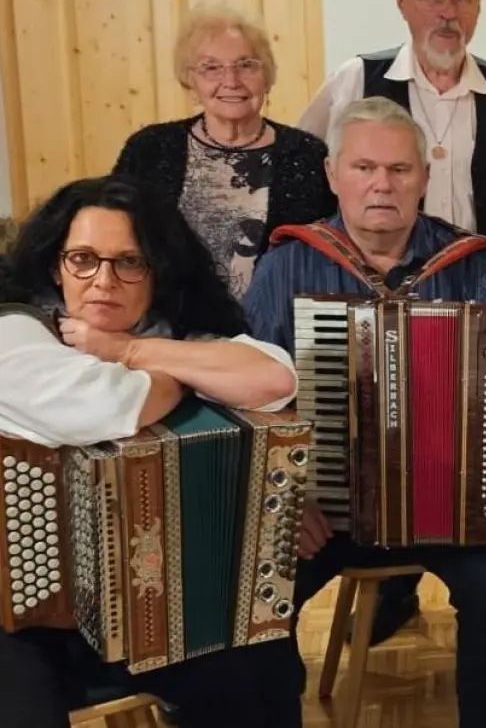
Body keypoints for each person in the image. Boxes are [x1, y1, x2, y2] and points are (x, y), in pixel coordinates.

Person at [242, 96, 486, 728]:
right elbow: (246, 402)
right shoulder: (285, 266)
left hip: (453, 504)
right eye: (363, 168)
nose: (381, 185)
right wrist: (283, 497)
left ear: (424, 178)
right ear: (334, 175)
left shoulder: (473, 267)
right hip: (324, 511)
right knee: (253, 602)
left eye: (399, 170)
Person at [296, 0, 486, 643]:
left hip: (480, 316)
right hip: (368, 311)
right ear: (403, 2)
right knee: (386, 447)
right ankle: (394, 588)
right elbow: (307, 169)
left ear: (478, 7)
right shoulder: (358, 77)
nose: (447, 11)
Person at [0, 175, 302, 728]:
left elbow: (273, 378)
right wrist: (172, 378)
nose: (103, 281)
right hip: (22, 614)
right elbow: (102, 405)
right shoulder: (14, 330)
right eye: (83, 259)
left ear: (156, 271)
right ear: (54, 267)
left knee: (261, 672)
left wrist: (132, 348)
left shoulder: (166, 332)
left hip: (155, 609)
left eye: (129, 262)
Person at [112, 5, 336, 300]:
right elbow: (114, 238)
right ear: (190, 82)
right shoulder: (149, 149)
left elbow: (329, 254)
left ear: (267, 77)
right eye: (211, 67)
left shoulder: (307, 154)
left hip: (272, 331)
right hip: (166, 329)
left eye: (246, 65)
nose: (231, 81)